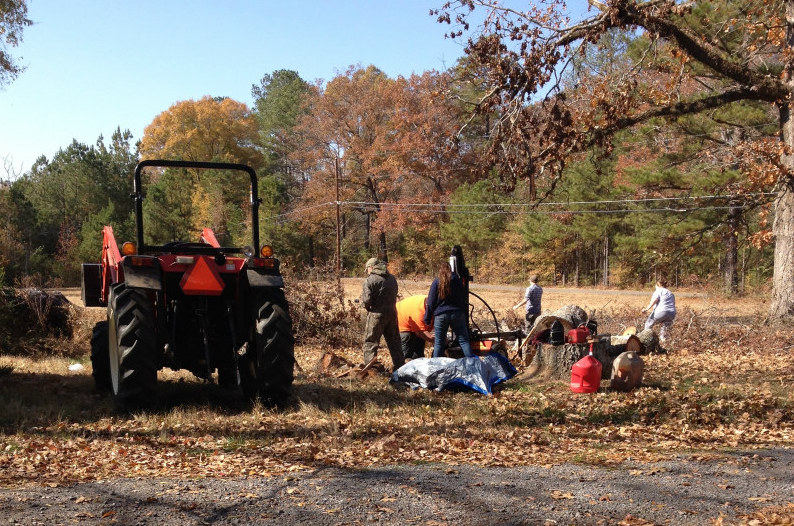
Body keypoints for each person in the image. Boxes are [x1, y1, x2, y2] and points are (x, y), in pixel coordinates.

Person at [361, 257, 404, 372]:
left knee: (371, 342)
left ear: (371, 267)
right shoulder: (392, 279)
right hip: (392, 314)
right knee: (395, 342)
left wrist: (366, 306)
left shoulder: (370, 280)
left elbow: (366, 301)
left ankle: (371, 369)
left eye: (367, 269)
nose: (367, 272)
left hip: (376, 315)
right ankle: (401, 367)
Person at [424, 261, 474, 359]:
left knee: (439, 343)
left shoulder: (436, 282)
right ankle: (473, 365)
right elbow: (463, 297)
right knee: (464, 341)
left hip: (441, 315)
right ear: (451, 269)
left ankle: (435, 368)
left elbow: (431, 302)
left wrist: (427, 318)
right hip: (457, 314)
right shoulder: (457, 280)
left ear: (440, 271)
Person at [396, 294, 434, 360]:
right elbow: (420, 332)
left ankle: (418, 360)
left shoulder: (433, 304)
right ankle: (403, 364)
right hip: (400, 321)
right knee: (407, 338)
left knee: (420, 343)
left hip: (412, 321)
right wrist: (437, 341)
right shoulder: (419, 312)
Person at [641, 278, 676, 343]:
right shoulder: (670, 293)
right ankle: (664, 342)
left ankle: (646, 340)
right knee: (666, 329)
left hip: (661, 311)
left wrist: (647, 309)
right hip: (671, 313)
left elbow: (655, 300)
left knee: (648, 324)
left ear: (658, 285)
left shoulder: (658, 291)